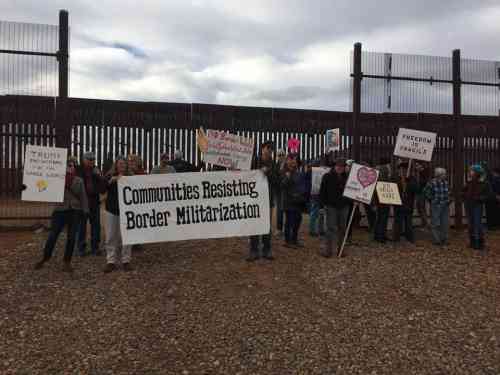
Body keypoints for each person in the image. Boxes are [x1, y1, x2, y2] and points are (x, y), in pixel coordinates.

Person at [34, 158, 89, 272]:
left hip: (75, 211)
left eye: (73, 165)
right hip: (60, 210)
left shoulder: (79, 180)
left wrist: (85, 210)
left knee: (72, 237)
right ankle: (45, 257)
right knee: (53, 235)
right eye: (68, 165)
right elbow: (45, 188)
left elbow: (83, 196)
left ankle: (67, 262)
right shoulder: (56, 179)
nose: (71, 167)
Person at [247, 141, 280, 261]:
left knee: (266, 225)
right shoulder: (253, 161)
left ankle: (267, 249)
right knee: (254, 224)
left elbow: (277, 181)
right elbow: (246, 175)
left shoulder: (274, 164)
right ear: (262, 149)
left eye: (271, 149)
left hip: (268, 198)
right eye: (267, 148)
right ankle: (253, 250)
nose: (269, 151)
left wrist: (268, 173)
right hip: (254, 198)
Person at [103, 156, 133, 272]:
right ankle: (111, 261)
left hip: (126, 211)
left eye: (123, 164)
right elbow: (102, 188)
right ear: (116, 165)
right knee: (111, 236)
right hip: (111, 209)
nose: (121, 166)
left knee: (127, 237)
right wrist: (112, 180)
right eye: (119, 164)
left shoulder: (131, 177)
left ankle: (126, 260)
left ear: (126, 166)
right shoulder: (109, 176)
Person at [75, 151, 107, 256]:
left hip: (94, 202)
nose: (91, 161)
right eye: (89, 159)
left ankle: (95, 248)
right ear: (83, 160)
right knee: (81, 227)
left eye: (93, 159)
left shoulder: (97, 171)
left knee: (96, 226)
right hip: (81, 203)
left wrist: (99, 176)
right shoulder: (78, 170)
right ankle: (81, 249)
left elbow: (102, 189)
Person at [319, 158, 350, 257]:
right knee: (330, 228)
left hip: (344, 206)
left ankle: (341, 250)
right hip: (331, 206)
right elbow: (322, 192)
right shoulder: (327, 176)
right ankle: (328, 250)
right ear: (334, 166)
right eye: (338, 165)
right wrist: (321, 205)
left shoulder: (348, 178)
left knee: (342, 228)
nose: (340, 168)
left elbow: (352, 191)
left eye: (342, 166)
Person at [463, 164, 491, 251]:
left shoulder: (484, 183)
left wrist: (479, 198)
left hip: (477, 205)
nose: (470, 172)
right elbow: (463, 191)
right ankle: (472, 242)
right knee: (470, 223)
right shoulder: (469, 182)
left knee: (477, 224)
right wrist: (464, 196)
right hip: (468, 204)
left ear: (477, 172)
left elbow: (489, 195)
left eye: (472, 170)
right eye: (470, 170)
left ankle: (480, 242)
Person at [281, 154, 306, 248]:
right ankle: (287, 241)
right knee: (289, 221)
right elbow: (282, 185)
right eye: (291, 160)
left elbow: (302, 185)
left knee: (298, 220)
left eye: (295, 160)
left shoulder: (298, 173)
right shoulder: (284, 171)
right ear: (288, 161)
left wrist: (301, 193)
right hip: (288, 201)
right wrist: (287, 177)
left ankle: (294, 239)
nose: (293, 161)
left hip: (298, 201)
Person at [424, 167, 451, 246]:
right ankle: (436, 240)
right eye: (444, 174)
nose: (445, 175)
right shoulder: (431, 183)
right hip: (436, 205)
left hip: (445, 205)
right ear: (439, 175)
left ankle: (444, 239)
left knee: (445, 223)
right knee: (435, 223)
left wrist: (449, 200)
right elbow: (425, 192)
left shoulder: (446, 183)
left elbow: (449, 192)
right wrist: (432, 200)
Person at [393, 161, 418, 243]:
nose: (403, 171)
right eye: (401, 169)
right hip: (398, 203)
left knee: (408, 221)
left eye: (405, 169)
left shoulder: (412, 178)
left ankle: (409, 237)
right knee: (397, 221)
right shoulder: (396, 178)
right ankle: (396, 238)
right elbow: (392, 189)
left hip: (408, 203)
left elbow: (416, 189)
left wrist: (409, 182)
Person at [374, 157, 392, 243]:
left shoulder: (377, 170)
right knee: (383, 217)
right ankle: (381, 236)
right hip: (383, 197)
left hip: (378, 197)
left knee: (380, 217)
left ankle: (378, 235)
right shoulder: (384, 170)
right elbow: (387, 182)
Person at [275, 149, 287, 236]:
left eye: (282, 155)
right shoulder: (275, 165)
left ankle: (287, 228)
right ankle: (279, 229)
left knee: (287, 210)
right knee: (279, 210)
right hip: (279, 190)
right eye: (279, 155)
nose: (281, 156)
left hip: (287, 190)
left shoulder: (287, 165)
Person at [415, 162, 431, 229]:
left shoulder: (424, 172)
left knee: (421, 208)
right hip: (419, 192)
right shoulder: (419, 173)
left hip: (422, 192)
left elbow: (424, 182)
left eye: (417, 165)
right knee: (420, 207)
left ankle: (426, 223)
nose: (416, 167)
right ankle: (424, 222)